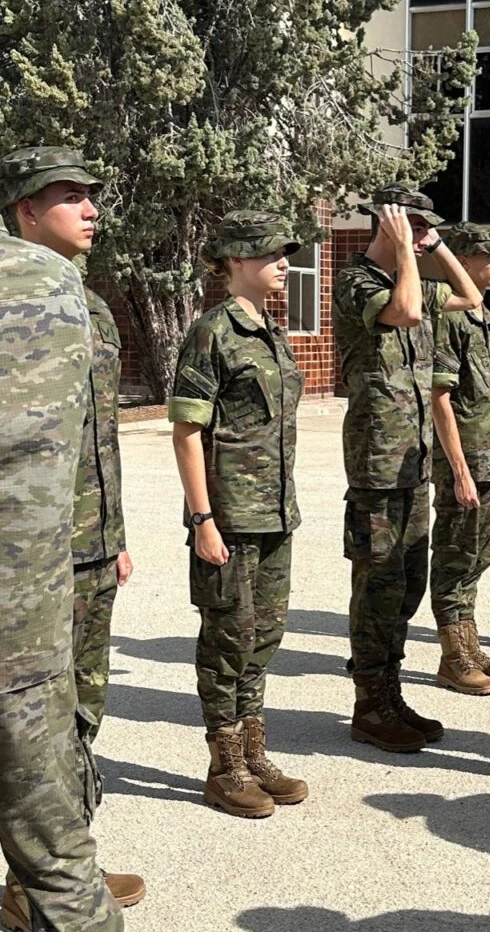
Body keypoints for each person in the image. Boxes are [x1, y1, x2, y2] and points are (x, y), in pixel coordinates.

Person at [0, 146, 143, 927]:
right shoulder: (24, 295)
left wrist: (111, 529)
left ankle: (48, 865)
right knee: (32, 726)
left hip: (83, 544)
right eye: (70, 197)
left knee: (79, 714)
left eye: (93, 196)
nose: (91, 210)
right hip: (30, 562)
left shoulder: (85, 301)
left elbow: (94, 435)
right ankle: (48, 873)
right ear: (25, 210)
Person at [333, 184, 482, 753]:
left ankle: (390, 695)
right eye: (415, 226)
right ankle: (369, 704)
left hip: (411, 462)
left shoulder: (410, 272)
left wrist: (437, 247)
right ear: (388, 224)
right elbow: (409, 310)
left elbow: (469, 297)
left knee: (407, 585)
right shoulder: (359, 283)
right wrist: (401, 249)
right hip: (376, 463)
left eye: (426, 229)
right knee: (378, 584)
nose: (422, 238)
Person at [169, 210, 308, 819]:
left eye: (285, 253)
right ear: (234, 262)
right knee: (227, 639)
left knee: (264, 638)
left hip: (275, 514)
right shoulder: (213, 332)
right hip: (228, 516)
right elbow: (186, 432)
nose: (284, 263)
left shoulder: (270, 330)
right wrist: (202, 521)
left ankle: (253, 752)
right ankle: (225, 766)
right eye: (271, 253)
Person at [429, 223, 490, 694]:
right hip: (464, 465)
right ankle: (453, 656)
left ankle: (470, 643)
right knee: (453, 559)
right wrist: (460, 471)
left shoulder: (488, 318)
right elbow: (439, 397)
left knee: (479, 558)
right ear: (463, 261)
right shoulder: (449, 317)